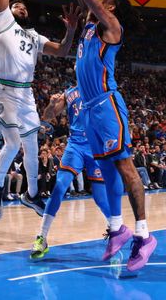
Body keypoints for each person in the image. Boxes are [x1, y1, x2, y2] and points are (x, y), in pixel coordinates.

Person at [59, 0, 156, 271]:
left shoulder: (113, 29)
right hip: (88, 110)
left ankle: (144, 236)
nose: (102, 3)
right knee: (106, 169)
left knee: (125, 166)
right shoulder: (88, 25)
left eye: (108, 2)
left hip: (106, 106)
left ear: (112, 9)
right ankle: (117, 229)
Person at [0, 0, 79, 221]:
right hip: (1, 89)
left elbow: (63, 51)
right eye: (16, 4)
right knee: (13, 143)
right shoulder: (3, 22)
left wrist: (72, 30)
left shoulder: (35, 37)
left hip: (25, 93)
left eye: (23, 5)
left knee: (32, 144)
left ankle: (31, 193)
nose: (20, 6)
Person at [30, 89, 114, 260]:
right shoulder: (70, 93)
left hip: (96, 146)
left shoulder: (100, 87)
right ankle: (42, 237)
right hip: (75, 145)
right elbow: (47, 116)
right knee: (59, 187)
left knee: (100, 197)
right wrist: (52, 104)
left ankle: (115, 228)